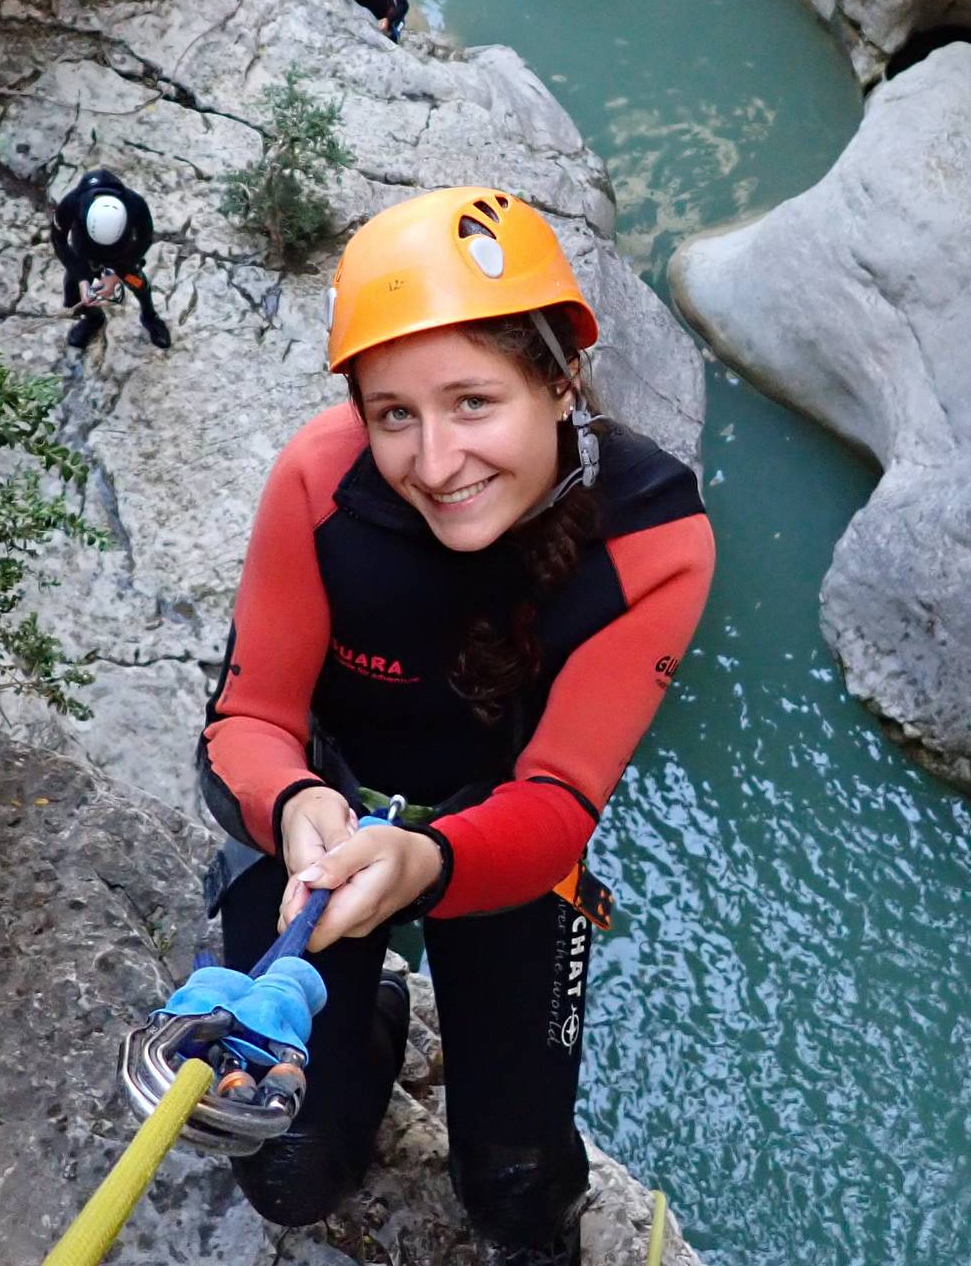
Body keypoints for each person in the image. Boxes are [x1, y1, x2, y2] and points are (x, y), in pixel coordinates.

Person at [198, 186, 715, 1264]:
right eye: (394, 414)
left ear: (561, 380)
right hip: (326, 830)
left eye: (474, 402)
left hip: (506, 845)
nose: (435, 464)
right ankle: (377, 1012)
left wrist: (426, 861)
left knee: (520, 1190)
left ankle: (397, 1022)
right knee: (289, 1171)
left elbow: (559, 798)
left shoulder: (653, 540)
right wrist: (292, 802)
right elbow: (247, 720)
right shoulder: (322, 483)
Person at [50, 166, 170, 350]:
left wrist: (115, 275)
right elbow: (59, 241)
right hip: (85, 255)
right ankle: (93, 318)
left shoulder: (135, 204)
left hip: (122, 257)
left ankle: (150, 316)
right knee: (74, 293)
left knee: (137, 283)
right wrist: (82, 279)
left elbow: (144, 239)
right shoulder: (73, 203)